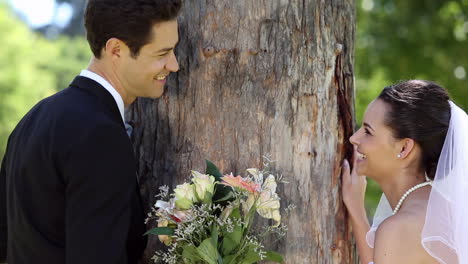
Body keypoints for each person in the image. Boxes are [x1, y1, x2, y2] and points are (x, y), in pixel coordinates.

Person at [0, 0, 181, 263]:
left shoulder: (34, 117)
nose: (174, 65)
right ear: (116, 50)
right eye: (162, 53)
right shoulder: (101, 135)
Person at [342, 80, 468, 264]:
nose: (354, 138)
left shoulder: (399, 228)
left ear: (404, 148)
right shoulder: (441, 211)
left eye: (368, 131)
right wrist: (357, 211)